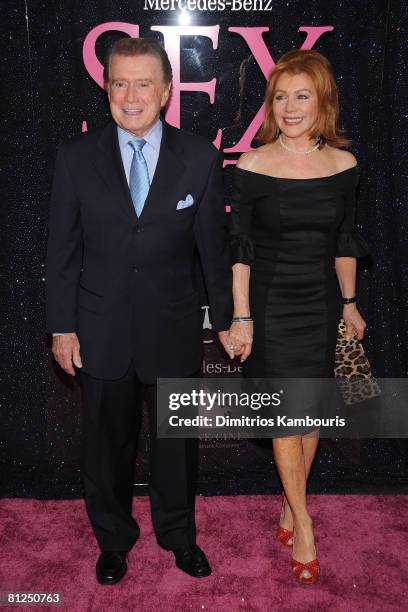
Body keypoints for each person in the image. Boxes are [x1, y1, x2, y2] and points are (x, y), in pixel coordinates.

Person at [46, 37, 232, 584]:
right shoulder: (75, 158)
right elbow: (62, 251)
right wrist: (62, 326)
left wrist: (227, 320)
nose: (131, 96)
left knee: (177, 447)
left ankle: (179, 537)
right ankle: (114, 540)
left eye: (143, 83)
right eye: (119, 83)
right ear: (106, 89)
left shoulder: (198, 157)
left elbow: (213, 253)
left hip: (172, 328)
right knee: (106, 447)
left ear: (167, 91)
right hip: (99, 328)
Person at [228, 49, 370, 584]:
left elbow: (345, 245)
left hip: (321, 304)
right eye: (281, 96)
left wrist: (351, 305)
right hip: (270, 304)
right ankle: (304, 520)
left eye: (302, 95)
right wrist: (241, 317)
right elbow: (239, 250)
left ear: (323, 101)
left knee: (307, 413)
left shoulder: (345, 166)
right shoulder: (253, 166)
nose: (290, 107)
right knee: (288, 415)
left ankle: (291, 503)